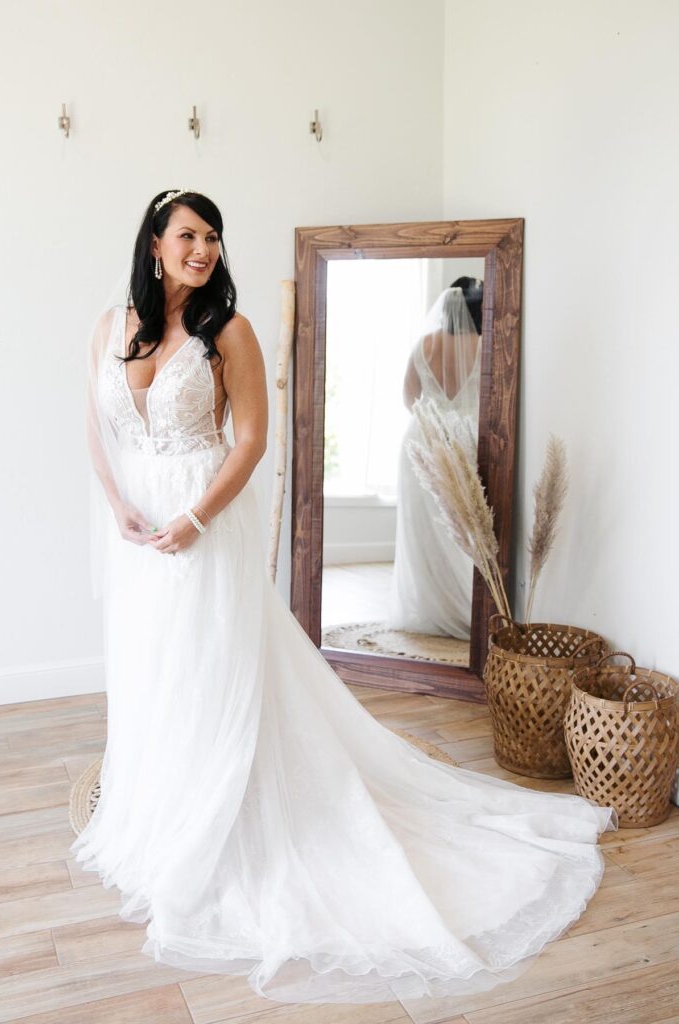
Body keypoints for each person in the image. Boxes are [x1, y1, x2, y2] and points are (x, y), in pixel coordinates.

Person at [70, 190, 618, 1007]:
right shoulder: (111, 325)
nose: (204, 249)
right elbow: (96, 418)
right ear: (154, 245)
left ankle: (224, 827)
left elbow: (252, 442)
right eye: (188, 235)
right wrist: (118, 504)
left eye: (214, 237)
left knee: (210, 675)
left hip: (201, 529)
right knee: (154, 676)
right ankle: (162, 811)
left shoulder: (231, 332)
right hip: (138, 536)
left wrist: (190, 519)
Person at [388, 280, 483, 640]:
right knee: (461, 527)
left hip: (422, 439)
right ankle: (466, 607)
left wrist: (434, 416)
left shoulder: (425, 344)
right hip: (467, 439)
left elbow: (409, 397)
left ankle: (429, 609)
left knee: (422, 529)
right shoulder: (485, 345)